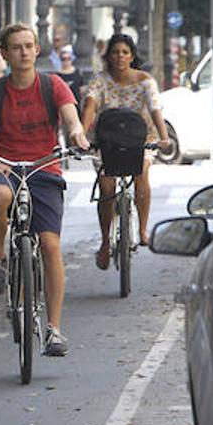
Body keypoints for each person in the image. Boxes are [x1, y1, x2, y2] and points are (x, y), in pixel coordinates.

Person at [0, 23, 88, 357]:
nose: (23, 52)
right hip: (6, 168)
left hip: (44, 168)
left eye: (28, 46)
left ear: (37, 50)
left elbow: (72, 121)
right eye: (16, 47)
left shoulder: (53, 86)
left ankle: (53, 329)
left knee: (50, 245)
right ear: (6, 54)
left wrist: (79, 137)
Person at [81, 33, 172, 267]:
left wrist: (163, 137)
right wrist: (80, 134)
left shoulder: (145, 81)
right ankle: (104, 242)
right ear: (108, 56)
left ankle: (142, 229)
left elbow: (155, 110)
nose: (120, 56)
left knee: (141, 172)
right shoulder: (99, 80)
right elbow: (90, 106)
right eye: (115, 52)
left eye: (124, 52)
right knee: (106, 185)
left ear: (132, 56)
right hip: (105, 142)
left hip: (140, 140)